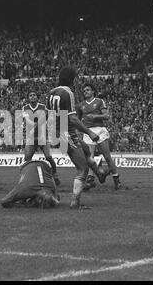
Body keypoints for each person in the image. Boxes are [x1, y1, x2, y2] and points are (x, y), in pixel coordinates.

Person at [46, 67, 108, 209]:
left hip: (55, 132)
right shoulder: (68, 93)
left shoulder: (52, 92)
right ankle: (75, 203)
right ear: (71, 79)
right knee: (83, 169)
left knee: (85, 149)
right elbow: (73, 119)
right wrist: (89, 132)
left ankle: (100, 173)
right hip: (65, 133)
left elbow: (50, 115)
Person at [77, 85, 121, 190]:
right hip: (87, 132)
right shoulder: (80, 105)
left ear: (93, 91)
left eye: (87, 90)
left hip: (99, 130)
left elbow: (107, 116)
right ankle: (90, 180)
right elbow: (78, 120)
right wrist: (78, 131)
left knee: (107, 156)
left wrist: (95, 116)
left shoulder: (99, 101)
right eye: (84, 90)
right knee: (89, 158)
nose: (85, 92)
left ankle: (116, 179)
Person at [22, 91, 60, 185]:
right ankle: (27, 177)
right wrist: (35, 125)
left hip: (42, 136)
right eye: (30, 95)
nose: (32, 96)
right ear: (28, 97)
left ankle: (55, 175)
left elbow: (44, 118)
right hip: (31, 137)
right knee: (27, 158)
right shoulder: (25, 108)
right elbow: (28, 120)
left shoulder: (43, 107)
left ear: (37, 97)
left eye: (34, 95)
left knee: (48, 157)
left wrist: (36, 126)